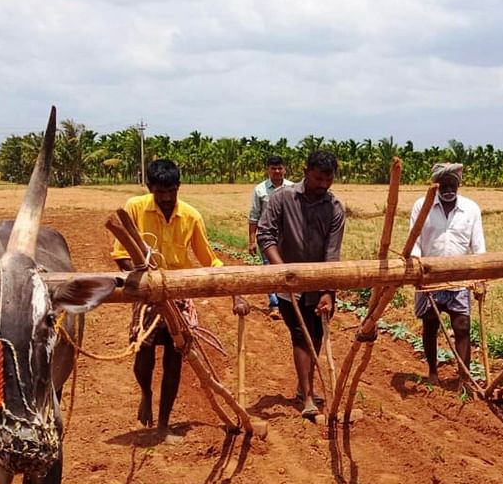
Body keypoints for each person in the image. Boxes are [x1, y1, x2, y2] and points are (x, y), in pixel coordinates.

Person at [111, 159, 250, 440]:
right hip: (147, 293)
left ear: (178, 188)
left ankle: (164, 425)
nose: (165, 198)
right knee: (143, 355)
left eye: (171, 192)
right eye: (159, 192)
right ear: (149, 188)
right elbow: (121, 256)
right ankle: (146, 393)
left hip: (179, 295)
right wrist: (146, 282)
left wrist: (236, 293)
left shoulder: (191, 216)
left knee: (175, 360)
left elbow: (210, 260)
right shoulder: (134, 208)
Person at [256, 150, 345, 418]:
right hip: (287, 285)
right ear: (306, 172)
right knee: (299, 335)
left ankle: (303, 386)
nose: (323, 185)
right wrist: (283, 272)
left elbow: (332, 252)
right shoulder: (282, 198)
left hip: (319, 284)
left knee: (315, 335)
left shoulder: (335, 207)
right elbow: (266, 234)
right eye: (318, 178)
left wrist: (329, 291)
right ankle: (307, 397)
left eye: (328, 180)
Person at [409, 163, 486, 385]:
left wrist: (481, 276)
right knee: (430, 326)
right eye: (444, 185)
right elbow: (415, 239)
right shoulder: (421, 206)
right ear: (436, 186)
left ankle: (464, 378)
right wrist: (416, 267)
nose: (449, 189)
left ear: (458, 185)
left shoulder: (471, 209)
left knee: (462, 326)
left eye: (453, 184)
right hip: (429, 278)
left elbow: (478, 246)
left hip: (459, 278)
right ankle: (433, 371)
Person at [248, 154, 293, 318]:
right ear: (268, 170)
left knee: (289, 269)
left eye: (280, 168)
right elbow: (254, 216)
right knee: (270, 270)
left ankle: (288, 304)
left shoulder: (293, 188)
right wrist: (252, 240)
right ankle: (275, 305)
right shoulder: (260, 190)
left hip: (289, 237)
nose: (277, 171)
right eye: (273, 168)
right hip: (268, 237)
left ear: (285, 169)